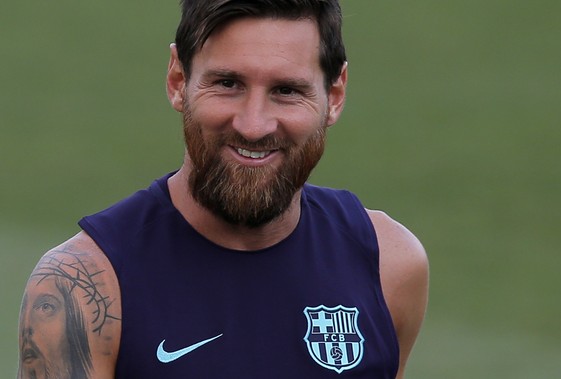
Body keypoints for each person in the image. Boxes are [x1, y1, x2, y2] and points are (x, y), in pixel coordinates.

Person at [18, 0, 429, 378]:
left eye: (287, 91)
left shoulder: (388, 263)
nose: (253, 125)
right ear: (178, 80)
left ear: (334, 95)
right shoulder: (83, 289)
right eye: (228, 83)